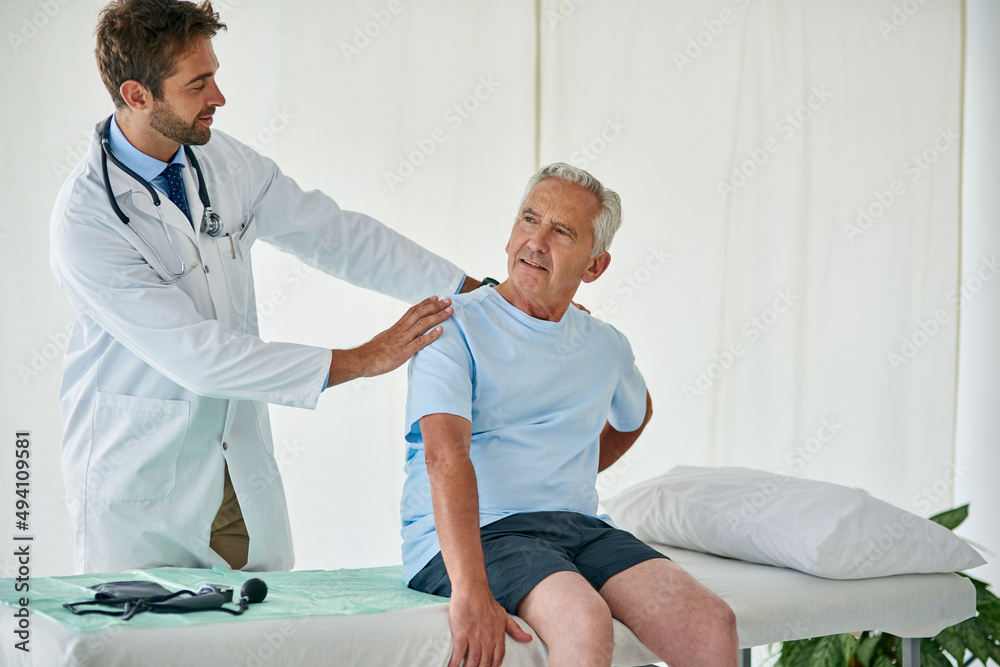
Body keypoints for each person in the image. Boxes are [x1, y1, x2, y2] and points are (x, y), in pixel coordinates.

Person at [49, 0, 482, 574]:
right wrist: (362, 359)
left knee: (259, 633)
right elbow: (199, 358)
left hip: (236, 465)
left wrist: (472, 288)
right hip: (142, 481)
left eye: (215, 76)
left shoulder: (222, 162)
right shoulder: (88, 220)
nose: (219, 98)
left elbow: (333, 234)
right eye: (198, 84)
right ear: (136, 95)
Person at [401, 163, 738, 667]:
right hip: (476, 534)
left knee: (712, 623)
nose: (535, 241)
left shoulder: (605, 345)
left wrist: (567, 466)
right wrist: (470, 595)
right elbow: (442, 456)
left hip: (577, 527)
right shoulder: (453, 326)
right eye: (529, 219)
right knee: (583, 619)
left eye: (561, 231)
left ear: (594, 265)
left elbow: (636, 413)